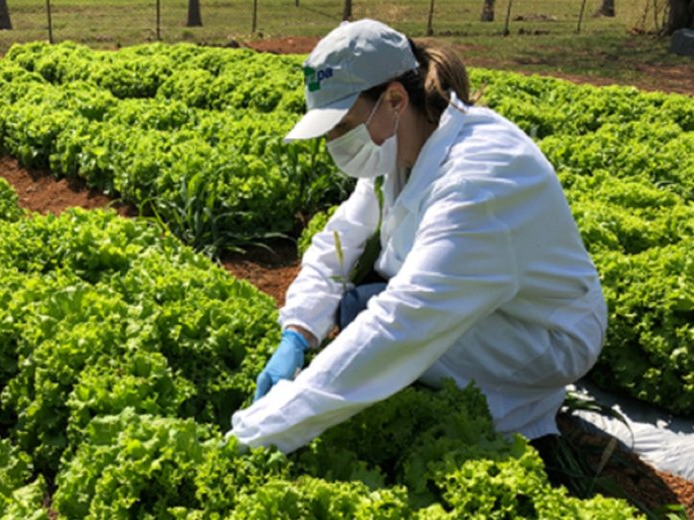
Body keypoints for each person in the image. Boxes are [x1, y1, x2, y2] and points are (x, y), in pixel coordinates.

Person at [227, 19, 606, 456]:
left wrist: (257, 434)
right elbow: (339, 241)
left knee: (370, 319)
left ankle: (514, 423)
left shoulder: (479, 180)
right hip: (490, 306)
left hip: (541, 337)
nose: (335, 142)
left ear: (393, 98)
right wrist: (297, 331)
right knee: (358, 305)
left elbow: (401, 324)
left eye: (343, 125)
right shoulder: (401, 146)